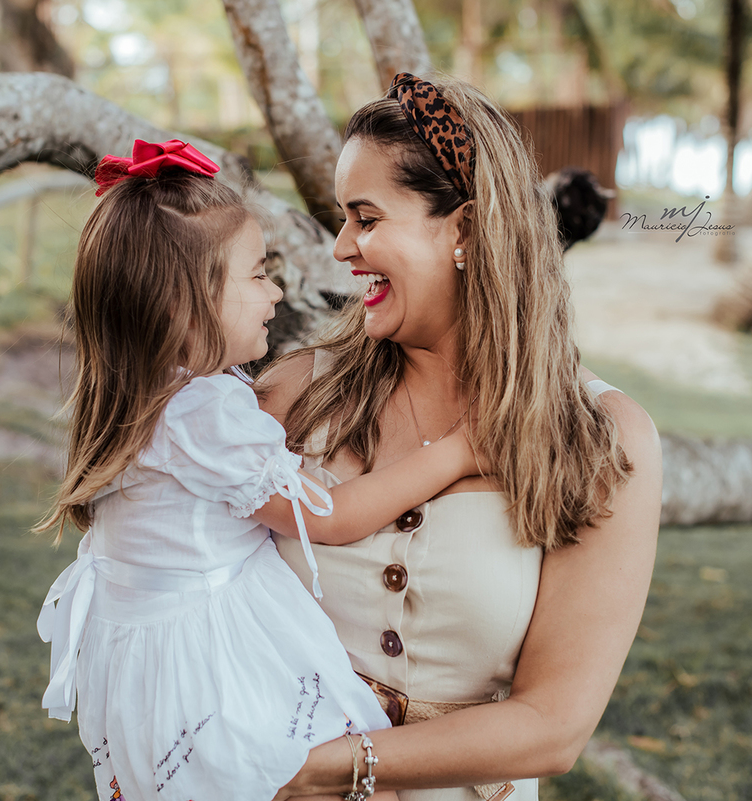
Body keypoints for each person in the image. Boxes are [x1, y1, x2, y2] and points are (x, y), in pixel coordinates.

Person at [34, 138, 486, 801]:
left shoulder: (142, 398)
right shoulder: (204, 411)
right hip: (218, 669)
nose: (275, 291)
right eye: (256, 275)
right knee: (355, 785)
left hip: (148, 671)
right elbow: (328, 516)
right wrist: (458, 452)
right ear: (183, 304)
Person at [257, 74, 663, 801]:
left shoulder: (601, 438)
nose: (343, 247)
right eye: (343, 219)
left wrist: (325, 767)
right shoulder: (293, 397)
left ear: (466, 231)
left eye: (366, 218)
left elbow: (553, 725)